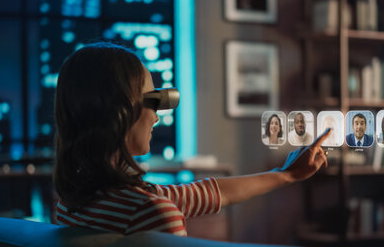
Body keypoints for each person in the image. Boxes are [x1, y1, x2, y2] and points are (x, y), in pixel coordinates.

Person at [54, 42, 331, 236]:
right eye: (153, 101)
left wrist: (286, 175)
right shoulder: (153, 214)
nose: (157, 116)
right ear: (120, 112)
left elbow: (210, 193)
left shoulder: (71, 204)